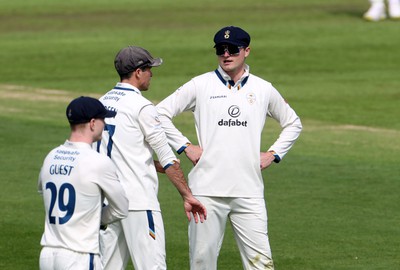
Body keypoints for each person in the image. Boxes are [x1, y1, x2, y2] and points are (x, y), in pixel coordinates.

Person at [156, 26, 303, 270]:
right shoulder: (200, 85)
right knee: (202, 262)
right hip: (206, 190)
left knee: (261, 264)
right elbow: (159, 113)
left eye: (232, 49)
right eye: (221, 50)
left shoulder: (263, 88)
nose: (226, 54)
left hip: (249, 191)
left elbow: (293, 124)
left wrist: (274, 154)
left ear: (246, 51)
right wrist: (184, 146)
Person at [97, 46, 207, 270]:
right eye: (149, 69)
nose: (152, 74)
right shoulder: (142, 107)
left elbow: (115, 151)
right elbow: (168, 158)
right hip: (138, 203)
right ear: (138, 72)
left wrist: (150, 165)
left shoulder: (101, 103)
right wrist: (187, 195)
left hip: (107, 203)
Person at [38, 96, 129, 270]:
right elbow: (121, 208)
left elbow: (45, 193)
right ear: (93, 123)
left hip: (48, 254)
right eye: (103, 119)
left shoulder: (51, 156)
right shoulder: (98, 162)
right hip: (79, 255)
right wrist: (93, 217)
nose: (105, 125)